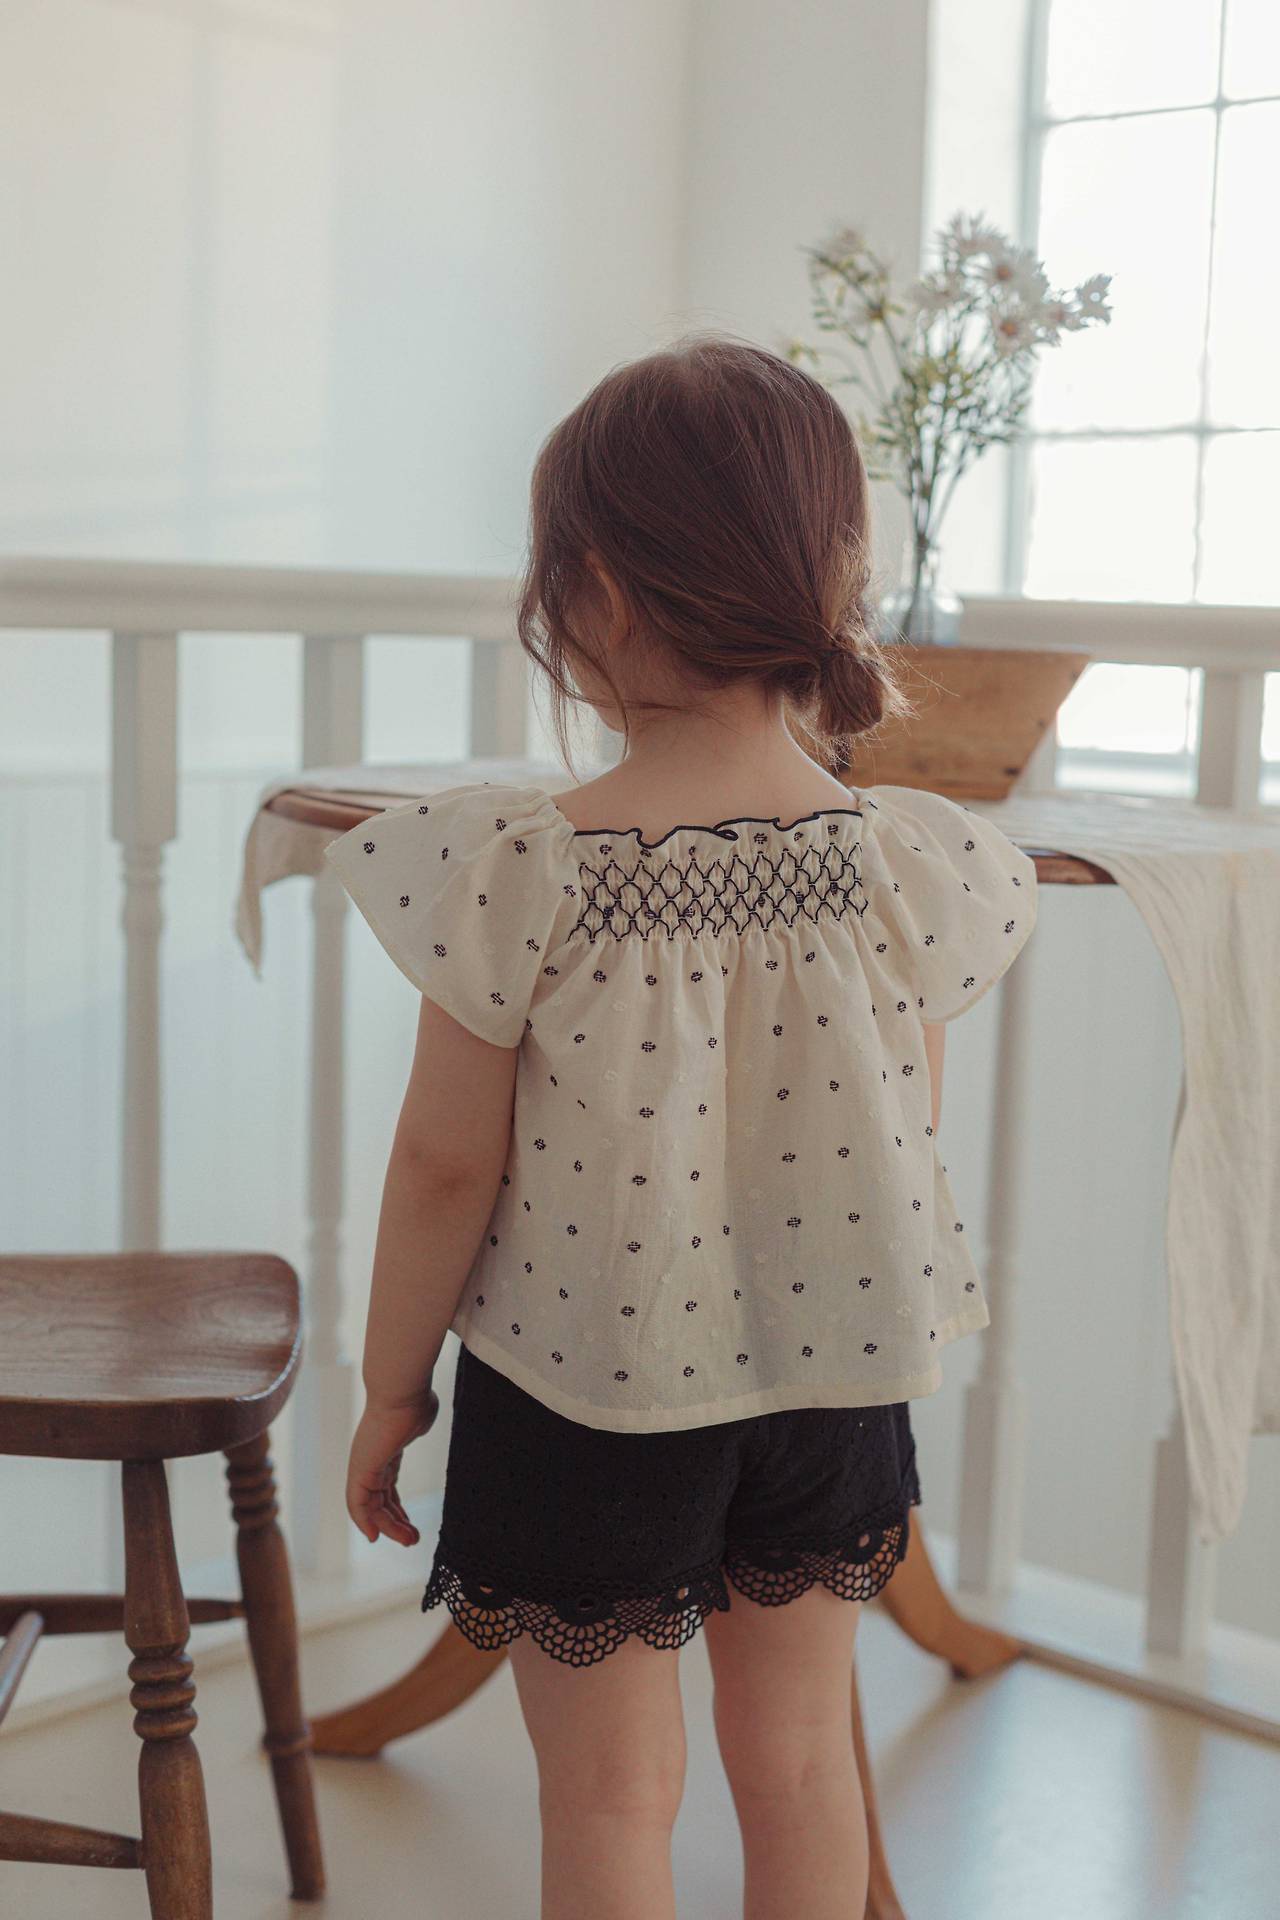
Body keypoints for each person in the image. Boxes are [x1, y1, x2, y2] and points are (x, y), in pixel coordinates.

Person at [323, 334, 1038, 1920]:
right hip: (832, 1376)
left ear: (589, 592)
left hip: (584, 1384)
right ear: (833, 575)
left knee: (608, 1795)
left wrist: (390, 1384)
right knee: (802, 1766)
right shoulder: (906, 863)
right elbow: (901, 1117)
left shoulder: (526, 868)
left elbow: (445, 1165)